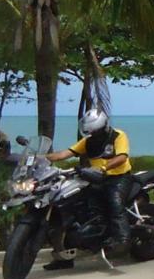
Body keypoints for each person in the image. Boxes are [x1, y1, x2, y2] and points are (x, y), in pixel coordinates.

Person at [41, 108, 132, 269]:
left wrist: (103, 168)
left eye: (95, 131)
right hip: (94, 179)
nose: (93, 134)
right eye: (90, 131)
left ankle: (122, 241)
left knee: (115, 204)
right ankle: (65, 257)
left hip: (118, 178)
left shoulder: (118, 135)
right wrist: (40, 158)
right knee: (74, 208)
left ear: (103, 126)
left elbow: (122, 157)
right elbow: (64, 154)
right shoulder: (88, 141)